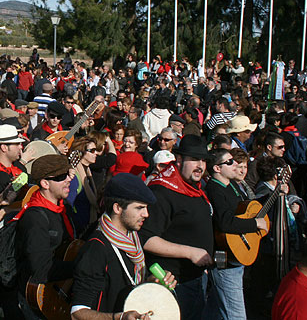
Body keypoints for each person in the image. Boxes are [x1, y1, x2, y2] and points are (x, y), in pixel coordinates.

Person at [71, 173, 176, 319]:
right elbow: (77, 313)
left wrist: (150, 283)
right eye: (139, 208)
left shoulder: (132, 240)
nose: (146, 214)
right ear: (118, 208)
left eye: (146, 208)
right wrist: (118, 317)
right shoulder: (97, 248)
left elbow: (128, 286)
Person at [140, 135, 214, 320]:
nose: (201, 166)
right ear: (179, 160)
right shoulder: (163, 191)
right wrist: (190, 252)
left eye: (203, 160)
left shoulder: (193, 186)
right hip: (174, 284)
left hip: (196, 278)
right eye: (194, 159)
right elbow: (145, 238)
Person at [204, 148, 268, 320]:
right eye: (229, 162)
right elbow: (225, 222)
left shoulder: (232, 185)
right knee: (236, 315)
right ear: (217, 168)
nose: (235, 165)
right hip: (225, 259)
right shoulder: (215, 189)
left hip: (236, 255)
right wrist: (254, 223)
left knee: (216, 310)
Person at [13, 154, 75, 318]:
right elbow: (41, 269)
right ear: (45, 183)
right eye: (61, 177)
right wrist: (80, 267)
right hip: (38, 296)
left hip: (57, 286)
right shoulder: (35, 217)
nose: (69, 179)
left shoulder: (62, 207)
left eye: (68, 174)